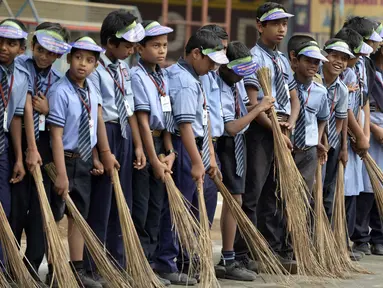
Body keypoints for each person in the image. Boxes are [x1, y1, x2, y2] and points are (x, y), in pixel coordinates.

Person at [155, 29, 228, 285]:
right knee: (179, 207)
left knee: (196, 209)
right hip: (184, 147)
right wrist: (197, 161)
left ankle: (186, 260)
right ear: (196, 54)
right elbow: (184, 125)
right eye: (210, 61)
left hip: (196, 147)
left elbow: (203, 120)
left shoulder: (195, 76)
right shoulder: (183, 81)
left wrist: (209, 156)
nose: (212, 68)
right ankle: (166, 262)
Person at [47, 36, 119, 287]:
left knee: (79, 216)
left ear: (96, 65)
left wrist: (101, 155)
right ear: (69, 58)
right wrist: (61, 174)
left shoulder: (93, 89)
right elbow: (56, 135)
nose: (82, 64)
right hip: (63, 160)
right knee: (55, 216)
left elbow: (96, 123)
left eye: (89, 61)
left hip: (85, 161)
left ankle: (76, 270)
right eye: (78, 58)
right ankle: (55, 270)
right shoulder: (59, 91)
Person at [234, 2, 299, 272]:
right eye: (275, 24)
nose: (282, 29)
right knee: (254, 192)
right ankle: (241, 252)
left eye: (284, 23)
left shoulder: (282, 59)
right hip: (261, 130)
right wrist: (275, 130)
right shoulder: (254, 58)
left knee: (274, 192)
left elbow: (293, 96)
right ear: (260, 26)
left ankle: (270, 250)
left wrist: (290, 125)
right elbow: (253, 104)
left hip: (283, 129)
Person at [83, 10, 147, 283]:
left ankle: (117, 263)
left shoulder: (124, 68)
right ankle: (95, 265)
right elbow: (96, 113)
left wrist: (139, 146)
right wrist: (104, 153)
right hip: (104, 133)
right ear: (110, 42)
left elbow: (130, 109)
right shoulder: (96, 69)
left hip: (124, 134)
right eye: (128, 44)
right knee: (102, 204)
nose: (133, 48)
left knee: (124, 204)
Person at [11, 22, 71, 280]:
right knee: (16, 206)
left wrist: (48, 110)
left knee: (41, 210)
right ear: (32, 46)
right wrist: (26, 151)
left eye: (51, 53)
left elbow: (64, 118)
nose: (45, 56)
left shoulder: (59, 80)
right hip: (18, 142)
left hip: (45, 147)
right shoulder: (18, 67)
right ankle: (10, 264)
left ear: (59, 55)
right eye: (41, 50)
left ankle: (31, 268)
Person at [214, 41, 274, 281]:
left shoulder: (236, 85)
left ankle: (230, 257)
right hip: (227, 144)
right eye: (237, 71)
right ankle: (228, 258)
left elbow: (243, 109)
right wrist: (258, 108)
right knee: (234, 199)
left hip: (239, 145)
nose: (240, 77)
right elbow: (231, 126)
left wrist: (261, 109)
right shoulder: (219, 86)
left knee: (236, 200)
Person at [130, 20, 174, 286]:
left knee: (157, 208)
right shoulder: (137, 76)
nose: (161, 50)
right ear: (139, 48)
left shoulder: (162, 76)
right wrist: (155, 159)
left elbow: (166, 117)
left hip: (161, 144)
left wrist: (169, 151)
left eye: (165, 45)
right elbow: (143, 120)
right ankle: (140, 265)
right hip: (146, 148)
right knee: (142, 207)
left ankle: (151, 263)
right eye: (155, 45)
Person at [0, 18, 30, 283]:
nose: (4, 47)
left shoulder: (20, 77)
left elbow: (16, 119)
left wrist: (19, 158)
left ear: (21, 49)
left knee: (5, 209)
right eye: (0, 42)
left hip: (2, 147)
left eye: (11, 44)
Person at [351, 45, 383, 256]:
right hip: (369, 126)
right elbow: (360, 104)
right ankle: (361, 237)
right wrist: (372, 128)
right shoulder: (368, 68)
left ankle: (379, 235)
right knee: (367, 183)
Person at [320, 39, 353, 232]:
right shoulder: (313, 79)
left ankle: (323, 240)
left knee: (327, 194)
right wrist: (319, 142)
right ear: (325, 57)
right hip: (309, 144)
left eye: (344, 59)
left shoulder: (341, 89)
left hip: (331, 146)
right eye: (334, 56)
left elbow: (341, 121)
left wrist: (340, 147)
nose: (339, 61)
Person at [291, 41, 330, 194]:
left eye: (316, 62)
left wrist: (318, 139)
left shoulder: (320, 91)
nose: (313, 65)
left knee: (303, 194)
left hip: (308, 150)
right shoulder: (286, 86)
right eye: (308, 60)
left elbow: (323, 118)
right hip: (288, 148)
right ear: (296, 61)